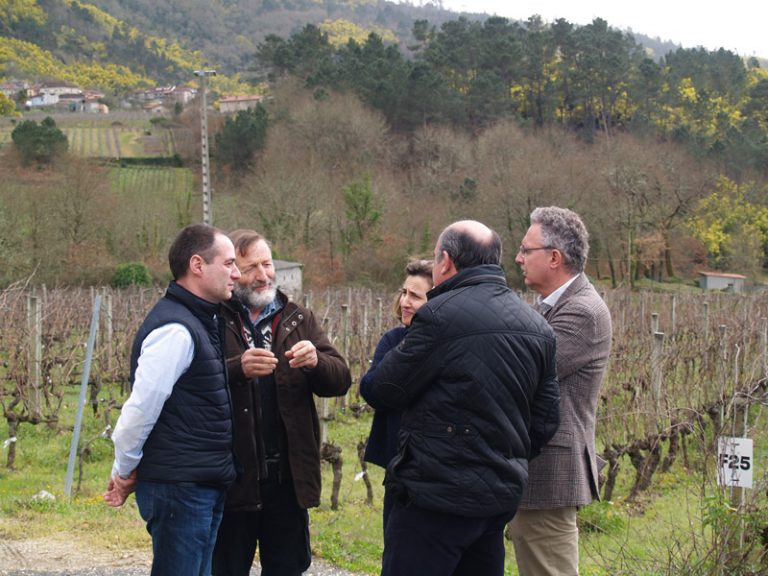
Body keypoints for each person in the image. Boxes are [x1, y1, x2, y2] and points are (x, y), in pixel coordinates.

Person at [363, 220, 561, 576]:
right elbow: (546, 420)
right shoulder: (538, 328)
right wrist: (502, 454)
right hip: (497, 498)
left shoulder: (438, 317)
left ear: (446, 261)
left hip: (433, 500)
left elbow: (382, 389)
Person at [103, 223, 241, 576]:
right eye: (228, 264)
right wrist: (125, 468)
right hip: (181, 489)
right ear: (197, 265)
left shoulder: (199, 321)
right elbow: (140, 408)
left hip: (197, 483)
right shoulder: (175, 330)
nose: (237, 274)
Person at [212, 229, 352, 576]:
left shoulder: (298, 318)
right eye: (250, 267)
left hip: (286, 481)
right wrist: (236, 369)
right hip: (234, 481)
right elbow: (192, 381)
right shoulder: (214, 319)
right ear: (232, 272)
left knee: (287, 568)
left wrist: (317, 362)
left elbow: (340, 380)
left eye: (267, 264)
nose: (263, 276)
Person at [508, 206, 613, 576]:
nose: (518, 258)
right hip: (535, 467)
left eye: (526, 250)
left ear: (554, 258)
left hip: (551, 472)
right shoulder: (551, 307)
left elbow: (525, 373)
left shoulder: (583, 311)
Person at [360, 259, 433, 531]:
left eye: (415, 296)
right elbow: (370, 390)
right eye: (404, 292)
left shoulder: (446, 346)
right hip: (397, 463)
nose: (405, 301)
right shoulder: (393, 340)